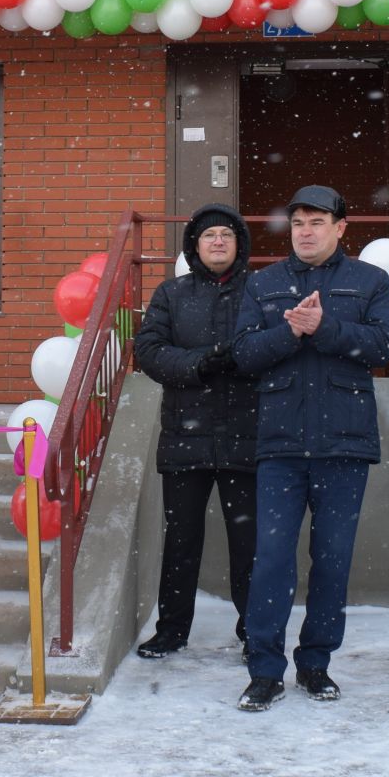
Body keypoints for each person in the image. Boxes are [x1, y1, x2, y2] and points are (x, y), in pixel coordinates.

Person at [230, 185, 389, 710]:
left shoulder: (369, 281)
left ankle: (316, 663)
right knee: (272, 559)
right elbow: (243, 354)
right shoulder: (265, 283)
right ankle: (264, 669)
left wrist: (325, 327)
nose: (305, 230)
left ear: (341, 228)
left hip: (344, 444)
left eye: (317, 222)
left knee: (331, 560)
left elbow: (384, 346)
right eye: (298, 221)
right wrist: (291, 333)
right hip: (279, 445)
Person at [131, 204, 259, 660]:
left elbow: (274, 345)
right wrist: (200, 363)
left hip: (248, 435)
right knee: (181, 539)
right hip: (186, 436)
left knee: (250, 542)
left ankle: (254, 631)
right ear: (195, 246)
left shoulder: (260, 291)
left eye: (227, 234)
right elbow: (149, 350)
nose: (218, 242)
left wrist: (240, 360)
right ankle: (172, 629)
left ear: (239, 243)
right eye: (209, 237)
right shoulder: (172, 293)